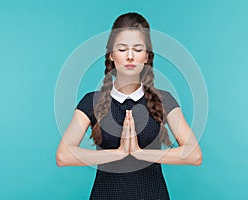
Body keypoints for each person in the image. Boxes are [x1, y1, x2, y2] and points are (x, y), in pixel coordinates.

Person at [56, 12, 202, 200]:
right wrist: (117, 154)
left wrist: (142, 155)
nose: (130, 56)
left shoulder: (164, 100)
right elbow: (63, 155)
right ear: (111, 55)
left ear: (147, 56)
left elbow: (194, 154)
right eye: (123, 49)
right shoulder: (91, 101)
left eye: (138, 49)